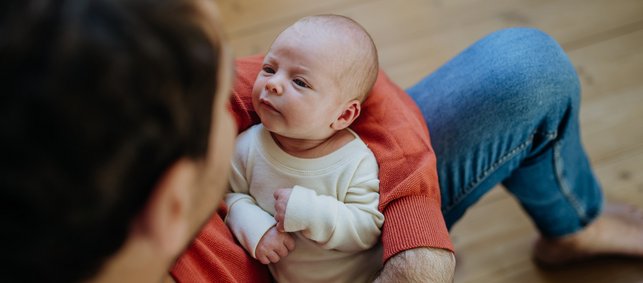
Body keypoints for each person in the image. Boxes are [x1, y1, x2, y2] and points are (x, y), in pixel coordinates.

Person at [2, 0, 642, 282]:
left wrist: (413, 234)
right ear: (172, 206)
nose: (252, 88)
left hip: (355, 224)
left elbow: (338, 82)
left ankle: (572, 226)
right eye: (215, 100)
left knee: (523, 67)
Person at [225, 15, 384, 283]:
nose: (273, 84)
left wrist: (309, 212)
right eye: (269, 69)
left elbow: (367, 230)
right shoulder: (246, 148)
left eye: (300, 82)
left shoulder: (355, 161)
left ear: (343, 115)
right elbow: (227, 197)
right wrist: (256, 227)